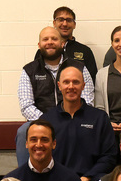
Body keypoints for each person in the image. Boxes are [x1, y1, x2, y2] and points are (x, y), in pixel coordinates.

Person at [15, 26, 95, 166]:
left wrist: (69, 120)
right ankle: (26, 179)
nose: (50, 42)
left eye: (54, 38)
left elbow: (88, 101)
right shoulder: (29, 70)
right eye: (45, 39)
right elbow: (26, 105)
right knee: (23, 132)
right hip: (41, 121)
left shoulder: (80, 67)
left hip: (74, 118)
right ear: (39, 45)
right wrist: (48, 122)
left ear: (62, 43)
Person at [43, 65, 117, 181]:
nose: (71, 86)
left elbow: (109, 157)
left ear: (83, 86)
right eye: (66, 82)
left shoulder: (99, 118)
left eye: (75, 82)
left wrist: (86, 178)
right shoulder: (47, 120)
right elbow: (43, 156)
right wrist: (66, 180)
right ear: (59, 86)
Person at [52, 6, 98, 79]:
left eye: (69, 20)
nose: (64, 24)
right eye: (60, 20)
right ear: (54, 23)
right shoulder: (44, 52)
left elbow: (92, 80)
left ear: (74, 24)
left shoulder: (85, 51)